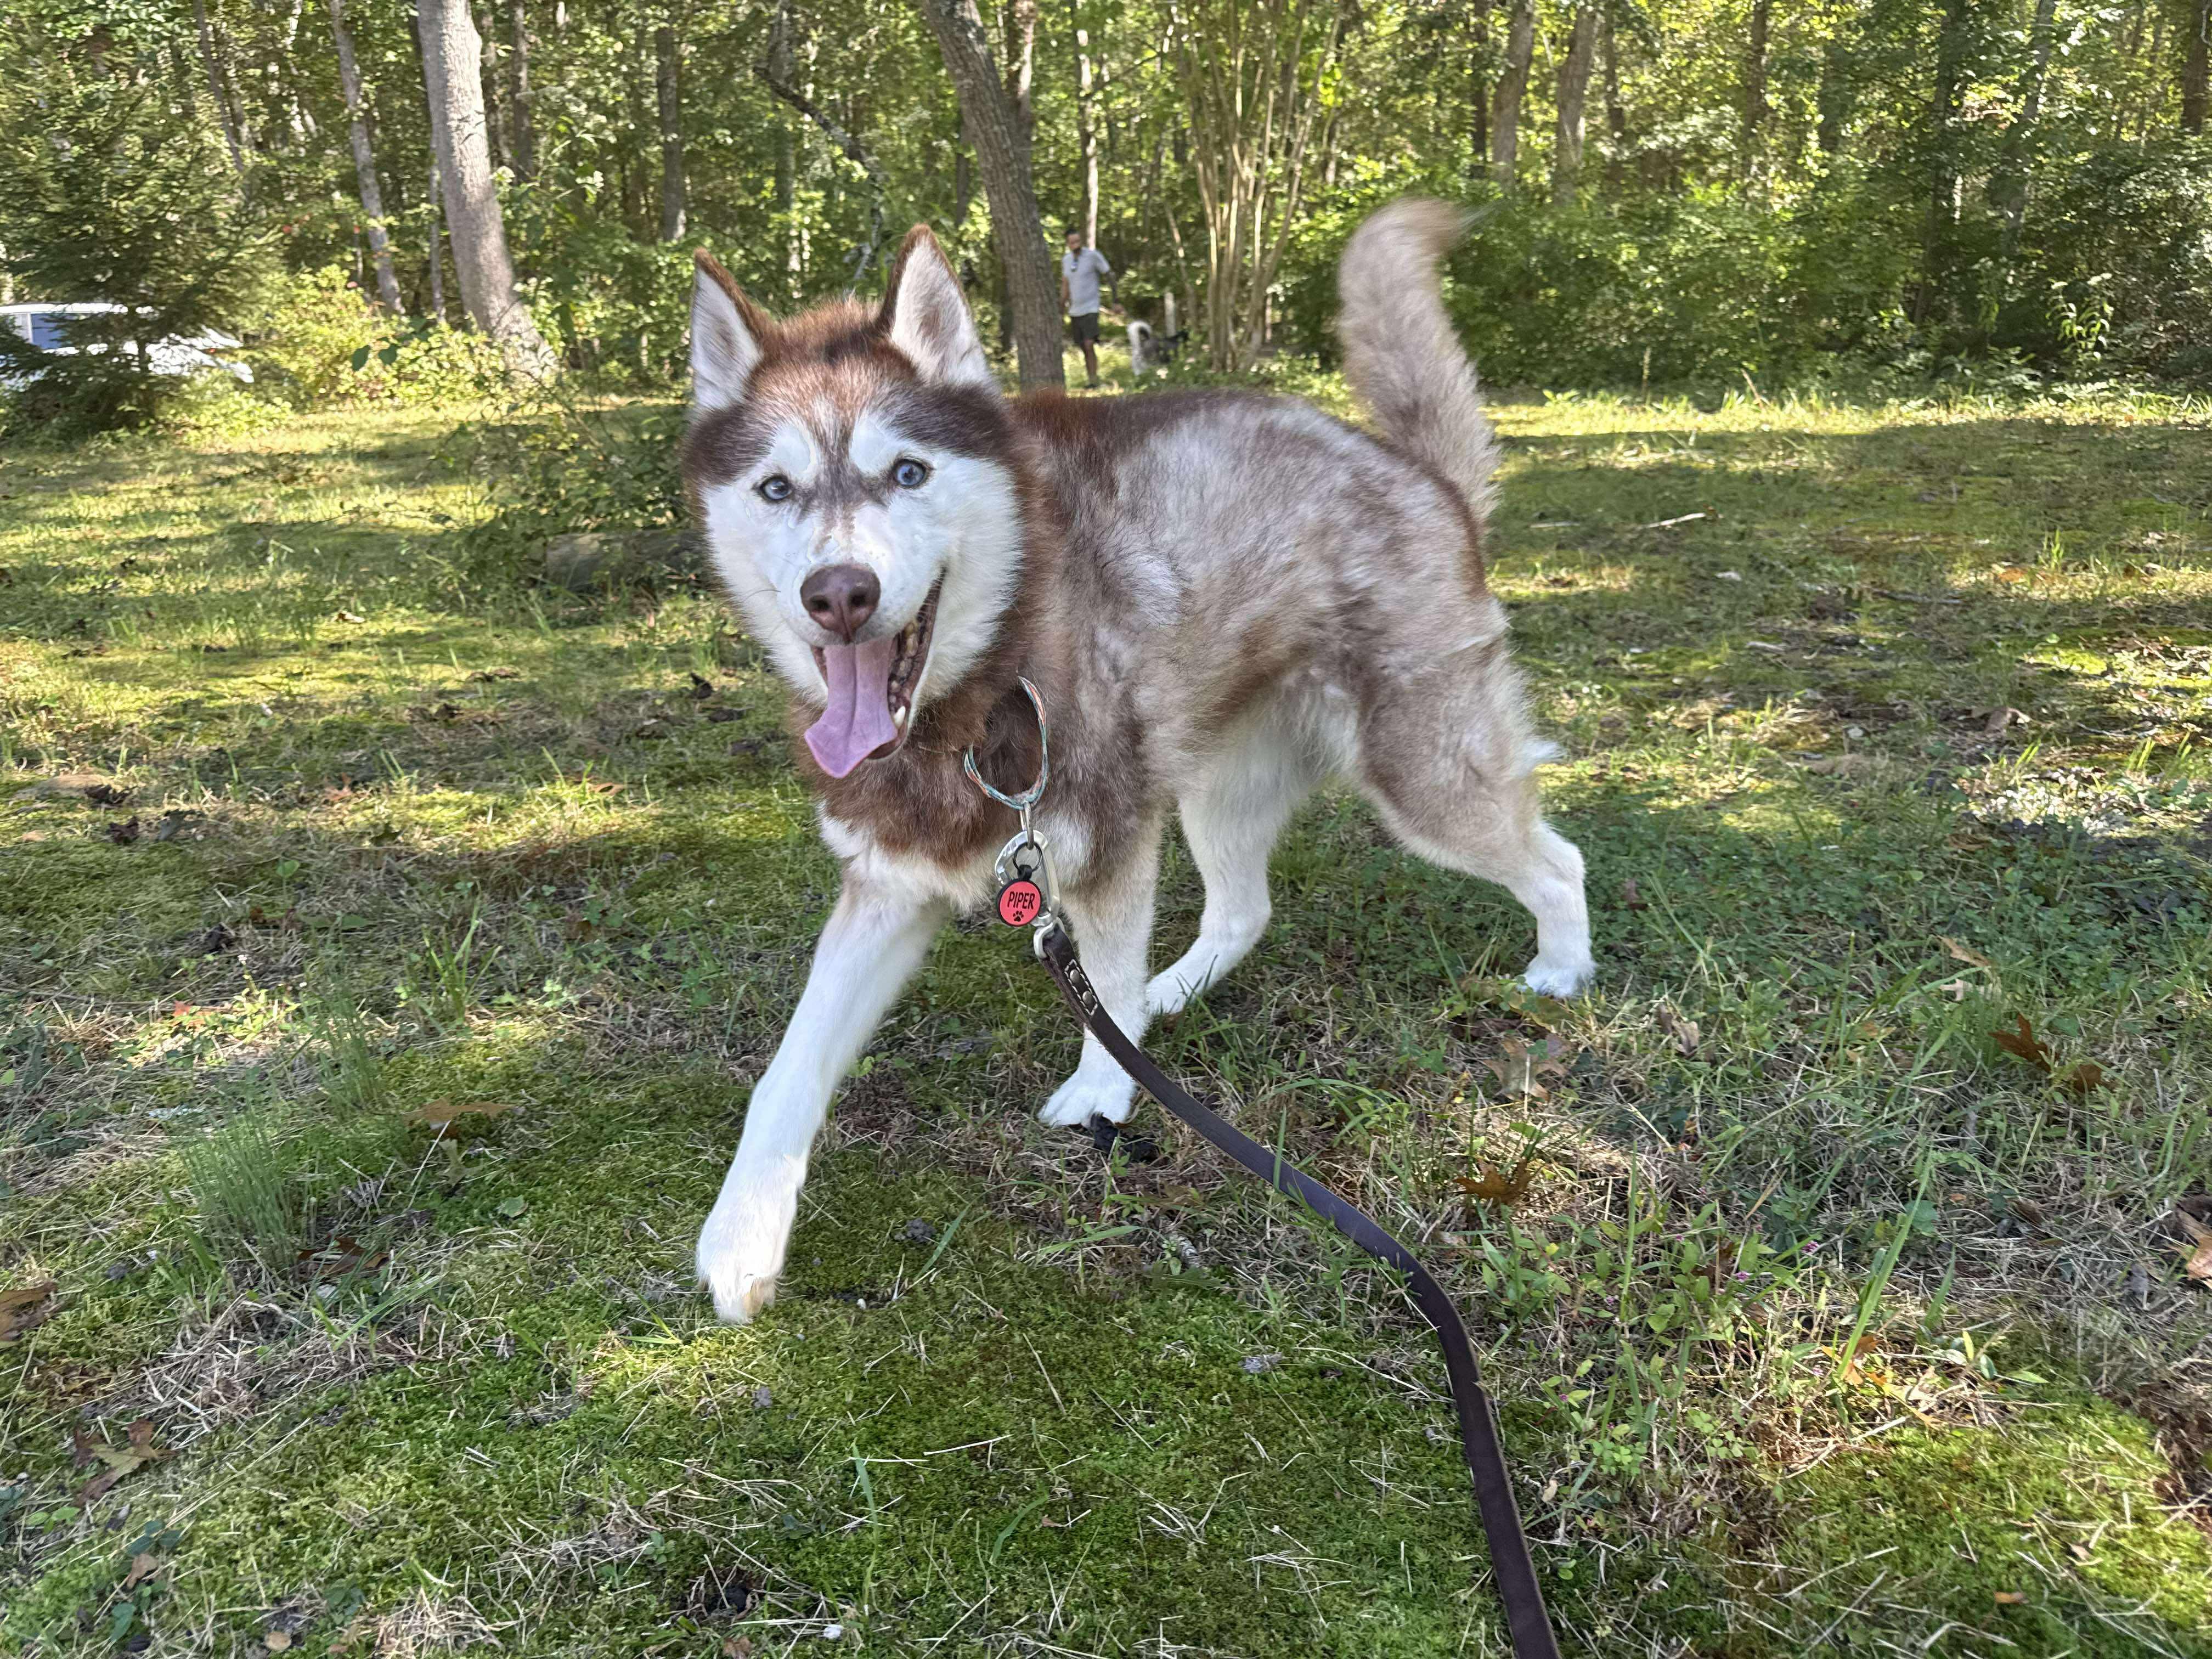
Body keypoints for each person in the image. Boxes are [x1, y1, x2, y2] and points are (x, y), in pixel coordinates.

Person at [1060, 227, 1114, 389]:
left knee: (1089, 344)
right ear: (1068, 244)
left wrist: (1116, 300)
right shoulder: (1066, 260)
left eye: (1078, 241)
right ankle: (1091, 380)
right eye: (1072, 242)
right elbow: (1065, 285)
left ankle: (1094, 380)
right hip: (1075, 310)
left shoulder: (1093, 256)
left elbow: (1109, 274)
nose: (1075, 245)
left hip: (1091, 308)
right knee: (1083, 346)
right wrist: (1061, 307)